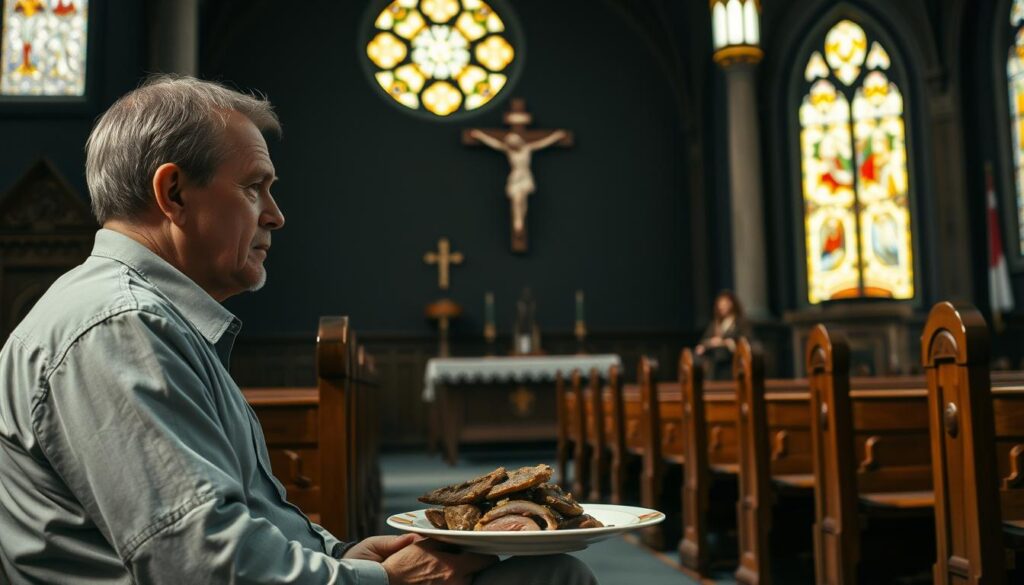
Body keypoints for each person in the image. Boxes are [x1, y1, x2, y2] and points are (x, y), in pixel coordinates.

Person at [0, 76, 597, 585]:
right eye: (254, 186)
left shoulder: (147, 317)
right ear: (173, 193)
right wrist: (385, 579)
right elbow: (201, 564)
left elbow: (223, 524)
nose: (275, 215)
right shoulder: (119, 327)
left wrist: (338, 556)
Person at [468, 129, 566, 240]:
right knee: (517, 199)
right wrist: (480, 136)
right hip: (515, 177)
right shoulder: (509, 151)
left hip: (525, 176)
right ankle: (518, 221)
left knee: (522, 199)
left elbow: (543, 143)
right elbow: (494, 143)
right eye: (511, 143)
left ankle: (521, 221)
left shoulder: (527, 149)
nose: (513, 144)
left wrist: (555, 137)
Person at [695, 290, 752, 380]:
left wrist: (727, 342)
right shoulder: (715, 324)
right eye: (720, 304)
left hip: (733, 364)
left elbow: (748, 341)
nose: (722, 307)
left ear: (732, 304)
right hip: (715, 366)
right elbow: (704, 341)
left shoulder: (740, 323)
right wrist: (708, 344)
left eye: (725, 304)